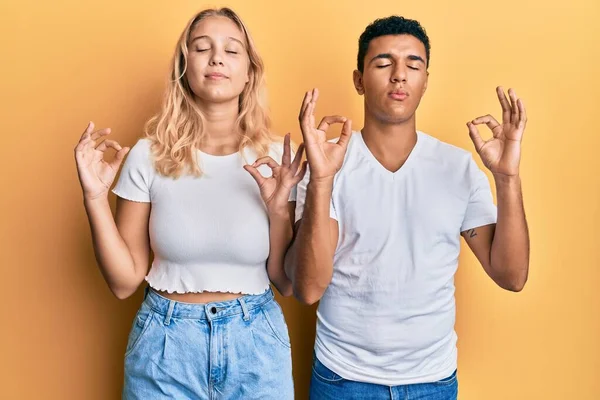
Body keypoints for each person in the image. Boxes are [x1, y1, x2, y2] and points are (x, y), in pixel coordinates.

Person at [288, 15, 529, 399]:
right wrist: (320, 180)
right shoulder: (328, 164)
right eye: (383, 63)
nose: (399, 75)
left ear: (426, 80)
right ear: (359, 80)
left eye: (413, 65)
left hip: (432, 381)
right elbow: (309, 287)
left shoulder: (459, 167)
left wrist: (507, 178)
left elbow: (511, 275)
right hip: (342, 378)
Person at [73, 8, 305, 399]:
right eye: (202, 48)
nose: (216, 58)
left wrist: (281, 207)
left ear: (250, 71)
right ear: (184, 66)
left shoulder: (278, 157)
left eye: (232, 51)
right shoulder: (148, 155)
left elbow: (285, 279)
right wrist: (94, 198)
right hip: (165, 346)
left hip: (256, 345)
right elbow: (124, 281)